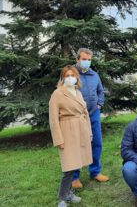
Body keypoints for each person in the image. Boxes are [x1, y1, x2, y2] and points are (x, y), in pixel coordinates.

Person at [49, 65, 93, 207]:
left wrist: (89, 132)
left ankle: (68, 193)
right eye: (67, 75)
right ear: (63, 77)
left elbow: (85, 113)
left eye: (72, 75)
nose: (70, 78)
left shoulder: (77, 92)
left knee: (76, 165)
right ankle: (62, 197)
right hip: (67, 132)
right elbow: (53, 119)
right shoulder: (57, 93)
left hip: (80, 130)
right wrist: (58, 139)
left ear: (76, 77)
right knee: (68, 167)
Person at [72, 48, 109, 189]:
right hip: (77, 116)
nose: (86, 62)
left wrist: (100, 104)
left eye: (89, 60)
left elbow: (100, 91)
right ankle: (74, 177)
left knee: (97, 143)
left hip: (93, 114)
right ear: (77, 59)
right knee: (78, 145)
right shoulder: (71, 74)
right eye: (83, 59)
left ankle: (95, 172)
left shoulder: (95, 75)